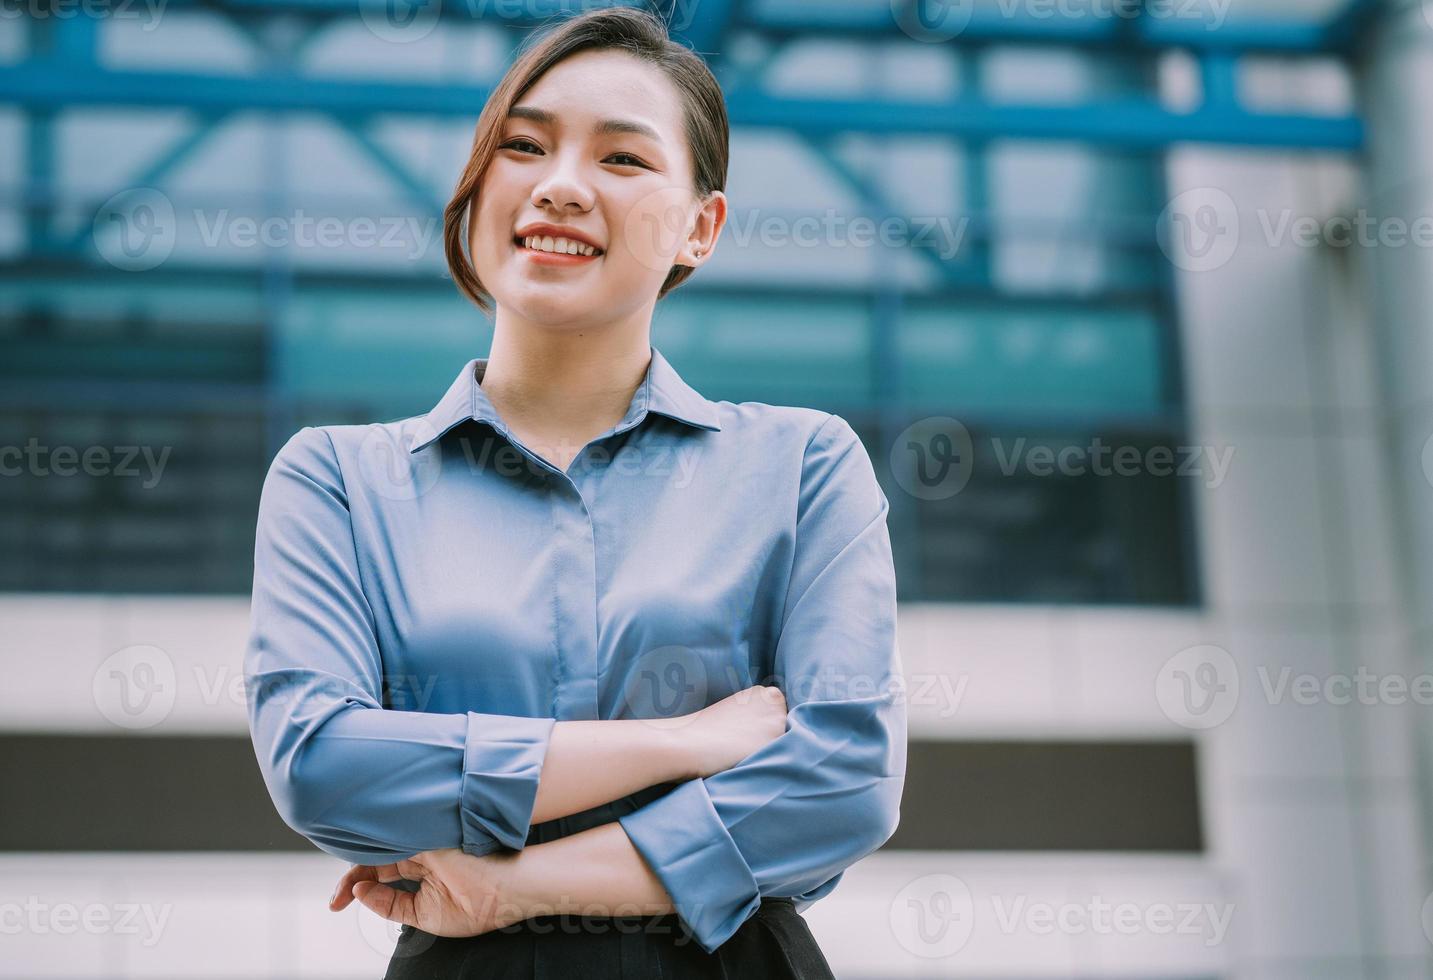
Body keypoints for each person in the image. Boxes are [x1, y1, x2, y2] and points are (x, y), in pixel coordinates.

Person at [243, 6, 906, 977]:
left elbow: (843, 782)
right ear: (476, 189)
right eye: (522, 146)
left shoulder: (802, 465)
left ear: (699, 226)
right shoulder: (336, 479)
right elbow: (322, 766)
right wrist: (675, 742)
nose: (557, 186)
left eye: (622, 160)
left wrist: (517, 882)